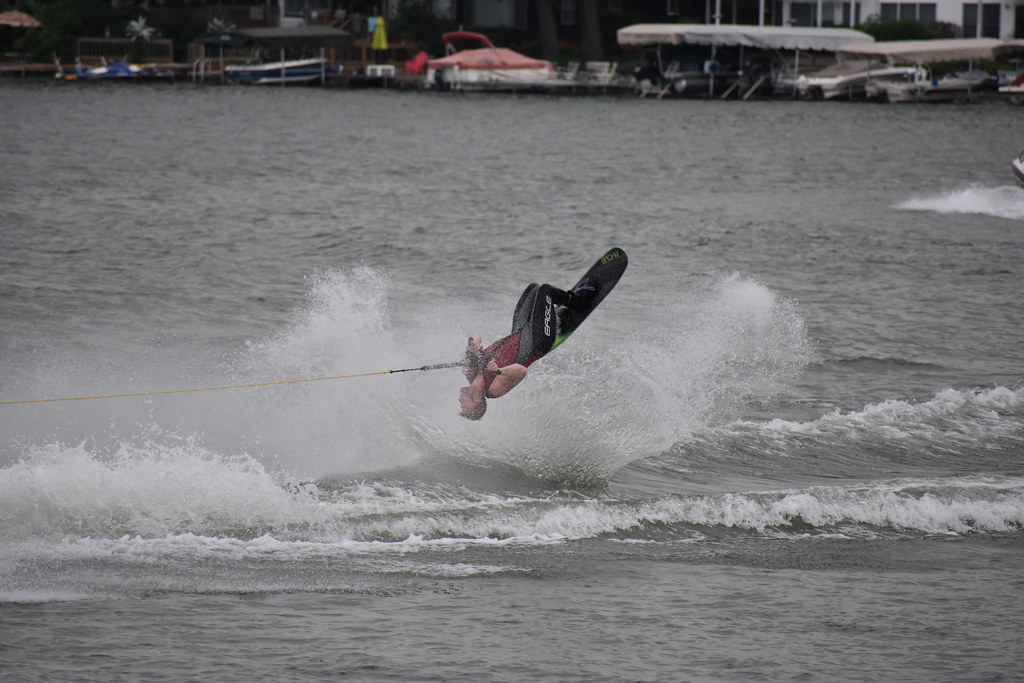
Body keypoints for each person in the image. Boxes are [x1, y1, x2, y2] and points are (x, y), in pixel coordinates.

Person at [458, 279, 597, 420]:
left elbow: (476, 337)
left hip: (519, 331)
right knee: (545, 291)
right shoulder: (492, 390)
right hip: (537, 341)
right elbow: (521, 371)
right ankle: (575, 301)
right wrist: (498, 371)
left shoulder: (469, 371)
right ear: (477, 401)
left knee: (533, 289)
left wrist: (473, 344)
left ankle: (559, 319)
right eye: (463, 405)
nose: (459, 402)